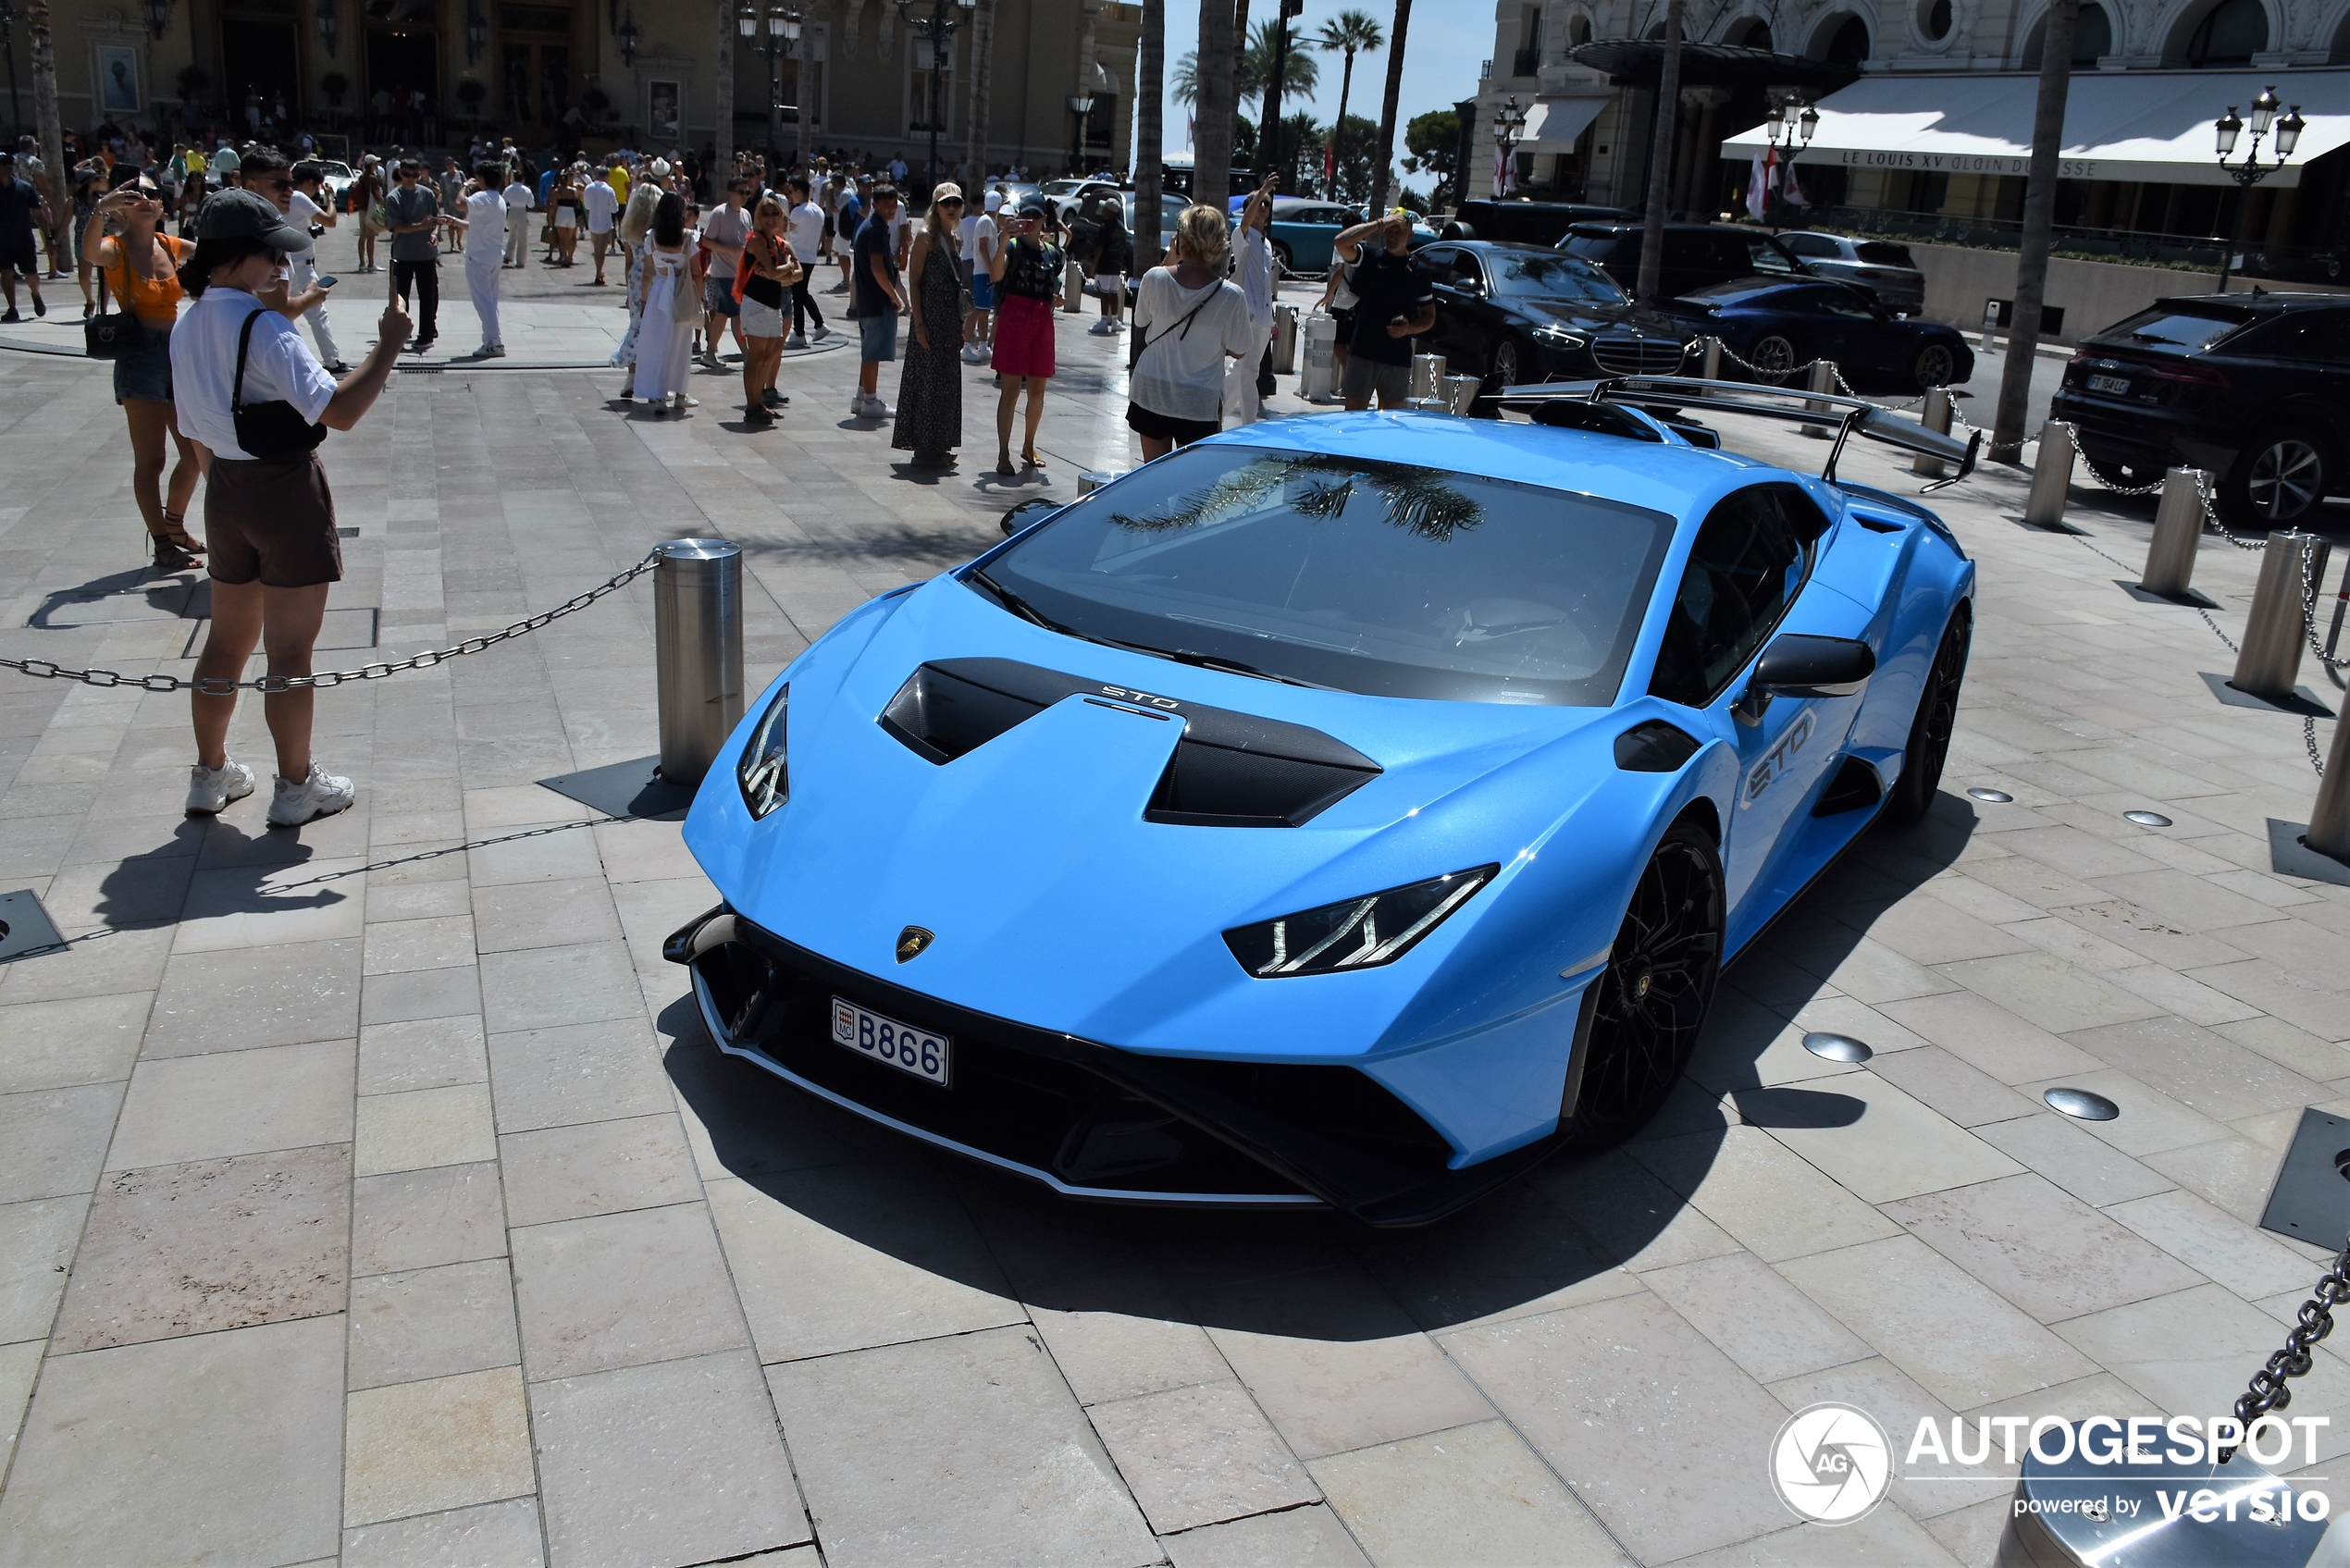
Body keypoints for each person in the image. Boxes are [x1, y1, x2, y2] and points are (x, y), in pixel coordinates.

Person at [173, 193, 408, 825]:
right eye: (272, 252)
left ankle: (209, 772)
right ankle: (296, 786)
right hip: (282, 491)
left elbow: (192, 427)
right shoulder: (265, 328)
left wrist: (221, 481)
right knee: (289, 651)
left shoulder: (187, 321)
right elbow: (342, 411)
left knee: (226, 641)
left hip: (223, 488)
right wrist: (388, 345)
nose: (282, 264)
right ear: (238, 255)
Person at [82, 175, 210, 570]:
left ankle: (174, 525)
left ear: (162, 207)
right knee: (151, 460)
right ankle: (162, 544)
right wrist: (100, 210)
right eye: (134, 194)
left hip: (177, 355)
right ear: (122, 205)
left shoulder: (170, 247)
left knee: (193, 453)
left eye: (152, 194)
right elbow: (89, 253)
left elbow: (213, 256)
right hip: (139, 359)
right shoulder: (116, 249)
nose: (144, 199)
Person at [1128, 204, 1258, 460]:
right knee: (1193, 491)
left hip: (1152, 391)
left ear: (1181, 241)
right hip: (1199, 401)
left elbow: (1142, 320)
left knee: (1155, 478)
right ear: (1219, 245)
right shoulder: (1232, 296)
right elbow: (1240, 351)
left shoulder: (1154, 279)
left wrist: (1171, 258)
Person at [1332, 209, 1434, 412]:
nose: (1393, 235)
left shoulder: (1419, 271)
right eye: (1390, 230)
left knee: (1391, 418)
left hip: (1397, 356)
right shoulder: (1371, 258)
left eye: (1399, 231)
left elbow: (1429, 317)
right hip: (1363, 350)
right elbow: (1341, 242)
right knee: (1353, 414)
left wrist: (1409, 329)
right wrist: (1381, 223)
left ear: (1410, 235)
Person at [986, 209, 1063, 475]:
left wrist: (1056, 297)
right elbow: (996, 275)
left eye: (1036, 216)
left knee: (1037, 391)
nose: (1030, 221)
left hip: (1042, 319)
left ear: (1044, 219)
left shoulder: (1053, 253)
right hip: (1015, 317)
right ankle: (1003, 453)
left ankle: (1029, 445)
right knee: (1010, 391)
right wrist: (1004, 238)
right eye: (1025, 215)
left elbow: (1052, 283)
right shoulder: (1014, 246)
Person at [893, 184, 963, 466]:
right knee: (926, 380)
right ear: (936, 207)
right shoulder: (926, 237)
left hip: (949, 318)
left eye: (956, 203)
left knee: (946, 382)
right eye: (946, 203)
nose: (952, 208)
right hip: (930, 316)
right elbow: (914, 280)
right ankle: (923, 444)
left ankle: (941, 443)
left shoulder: (954, 240)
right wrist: (919, 322)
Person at [629, 191, 699, 414]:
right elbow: (697, 272)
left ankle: (658, 395)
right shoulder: (688, 238)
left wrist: (642, 300)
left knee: (657, 343)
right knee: (680, 345)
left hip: (658, 291)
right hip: (681, 291)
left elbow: (648, 273)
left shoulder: (651, 237)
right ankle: (680, 394)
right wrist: (699, 297)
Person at [278, 159, 350, 373]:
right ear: (309, 182)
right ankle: (331, 360)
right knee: (317, 314)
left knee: (284, 314)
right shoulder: (298, 196)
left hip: (284, 261)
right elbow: (330, 220)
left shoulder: (281, 198)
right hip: (301, 265)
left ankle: (290, 360)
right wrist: (330, 198)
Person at [734, 194, 798, 426]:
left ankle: (758, 403)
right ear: (759, 217)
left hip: (773, 305)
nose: (771, 218)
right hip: (757, 304)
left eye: (775, 214)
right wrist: (788, 267)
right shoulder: (757, 241)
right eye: (766, 213)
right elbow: (773, 272)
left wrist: (785, 272)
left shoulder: (779, 243)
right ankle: (752, 407)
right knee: (756, 357)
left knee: (768, 356)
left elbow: (798, 275)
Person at [849, 182, 904, 421]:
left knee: (867, 351)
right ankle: (870, 400)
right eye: (886, 205)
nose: (891, 209)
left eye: (894, 205)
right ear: (875, 205)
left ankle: (862, 396)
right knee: (872, 353)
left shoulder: (869, 226)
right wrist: (894, 295)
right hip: (876, 301)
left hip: (866, 301)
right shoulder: (877, 229)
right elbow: (877, 266)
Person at [1226, 175, 1278, 425]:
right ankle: (1249, 424)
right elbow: (1245, 223)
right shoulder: (1241, 235)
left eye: (1267, 203)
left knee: (1243, 371)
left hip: (1263, 318)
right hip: (1248, 315)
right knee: (1249, 373)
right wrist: (1264, 189)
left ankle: (1218, 410)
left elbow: (1266, 282)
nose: (1264, 207)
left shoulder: (1267, 245)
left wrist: (1272, 318)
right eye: (1260, 203)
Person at [449, 163, 508, 357]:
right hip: (492, 255)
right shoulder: (498, 199)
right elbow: (476, 226)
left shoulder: (482, 197)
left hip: (479, 256)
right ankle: (489, 339)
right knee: (490, 300)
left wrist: (465, 185)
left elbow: (458, 203)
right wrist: (454, 222)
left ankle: (495, 341)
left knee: (483, 301)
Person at [383, 159, 442, 352]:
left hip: (426, 253)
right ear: (400, 173)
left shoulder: (427, 194)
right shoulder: (394, 198)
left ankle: (426, 333)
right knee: (400, 297)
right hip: (404, 254)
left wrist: (433, 233)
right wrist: (420, 226)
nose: (411, 179)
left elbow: (436, 219)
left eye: (415, 175)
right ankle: (401, 330)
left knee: (429, 296)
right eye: (407, 174)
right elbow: (396, 226)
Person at [609, 181, 661, 395]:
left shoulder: (629, 229)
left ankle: (632, 376)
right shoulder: (657, 232)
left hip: (635, 278)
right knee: (655, 329)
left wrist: (628, 293)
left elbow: (628, 263)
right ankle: (650, 379)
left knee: (636, 325)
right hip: (656, 277)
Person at [699, 177, 750, 370]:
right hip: (725, 273)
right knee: (736, 314)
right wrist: (730, 250)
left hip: (740, 273)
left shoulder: (746, 214)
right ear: (731, 193)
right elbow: (706, 241)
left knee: (722, 314)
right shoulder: (719, 213)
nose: (744, 196)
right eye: (741, 192)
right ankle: (747, 355)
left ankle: (710, 352)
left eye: (747, 192)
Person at [0, 152, 51, 321]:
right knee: (5, 273)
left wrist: (49, 237)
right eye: (2, 163)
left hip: (23, 239)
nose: (6, 166)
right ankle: (12, 308)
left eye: (9, 163)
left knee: (31, 274)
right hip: (2, 240)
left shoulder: (24, 188)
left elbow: (39, 215)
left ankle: (36, 295)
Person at [783, 177, 830, 349]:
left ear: (799, 192)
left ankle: (802, 331)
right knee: (801, 292)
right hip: (810, 257)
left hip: (798, 257)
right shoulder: (819, 211)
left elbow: (788, 230)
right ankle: (816, 325)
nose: (790, 196)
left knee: (798, 294)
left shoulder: (798, 211)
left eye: (792, 192)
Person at [961, 188, 1000, 364]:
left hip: (984, 271)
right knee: (976, 310)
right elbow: (983, 246)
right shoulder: (986, 222)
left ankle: (984, 346)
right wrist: (993, 269)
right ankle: (966, 345)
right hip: (983, 272)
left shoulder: (988, 221)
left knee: (984, 312)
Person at [1088, 202, 1130, 335]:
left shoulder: (1104, 227)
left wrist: (1094, 265)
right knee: (1113, 293)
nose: (1103, 211)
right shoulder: (1121, 228)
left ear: (1110, 211)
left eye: (1105, 208)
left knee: (1104, 293)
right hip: (1116, 265)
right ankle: (1116, 321)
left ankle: (1104, 321)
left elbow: (1099, 247)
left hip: (1105, 265)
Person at [584, 164, 620, 283]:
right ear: (607, 176)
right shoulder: (609, 190)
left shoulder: (588, 188)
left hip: (593, 222)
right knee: (602, 250)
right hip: (605, 223)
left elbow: (587, 206)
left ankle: (598, 271)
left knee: (596, 248)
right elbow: (614, 209)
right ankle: (598, 272)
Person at [352, 160, 384, 273]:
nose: (377, 165)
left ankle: (362, 263)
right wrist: (385, 206)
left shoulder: (362, 177)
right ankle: (371, 263)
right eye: (376, 163)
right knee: (371, 236)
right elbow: (377, 195)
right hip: (371, 208)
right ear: (372, 164)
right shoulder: (373, 178)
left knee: (363, 235)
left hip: (362, 208)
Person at [501, 167, 532, 267]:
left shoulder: (508, 189)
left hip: (512, 211)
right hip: (522, 211)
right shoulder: (526, 190)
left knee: (512, 235)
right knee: (522, 238)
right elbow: (531, 204)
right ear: (523, 179)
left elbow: (503, 201)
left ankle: (508, 255)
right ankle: (520, 261)